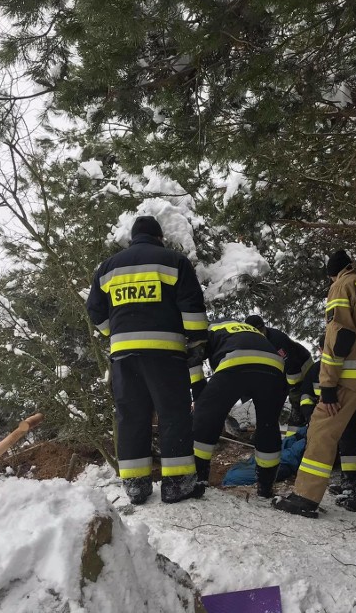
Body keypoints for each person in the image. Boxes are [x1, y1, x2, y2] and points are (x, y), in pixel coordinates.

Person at [86, 215, 208, 505]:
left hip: (124, 356)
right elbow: (191, 306)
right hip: (165, 352)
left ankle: (136, 487)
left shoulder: (107, 268)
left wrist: (113, 333)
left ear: (132, 238)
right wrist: (197, 341)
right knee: (173, 414)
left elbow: (95, 311)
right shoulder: (173, 261)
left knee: (131, 417)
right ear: (159, 238)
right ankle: (177, 484)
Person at [273, 250, 356, 518]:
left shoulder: (341, 286)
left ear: (334, 272)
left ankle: (305, 497)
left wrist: (328, 385)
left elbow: (340, 336)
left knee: (322, 431)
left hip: (351, 377)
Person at [189, 319, 287, 497]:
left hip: (236, 360)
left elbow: (193, 360)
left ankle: (198, 479)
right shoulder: (241, 329)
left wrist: (200, 399)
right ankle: (265, 487)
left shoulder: (205, 331)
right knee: (268, 426)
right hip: (275, 367)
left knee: (205, 419)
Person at [244, 314, 312, 437]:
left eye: (262, 330)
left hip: (300, 366)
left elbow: (292, 365)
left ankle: (298, 437)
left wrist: (294, 389)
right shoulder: (247, 340)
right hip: (280, 370)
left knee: (299, 405)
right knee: (269, 401)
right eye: (256, 332)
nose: (261, 334)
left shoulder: (277, 340)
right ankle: (264, 432)